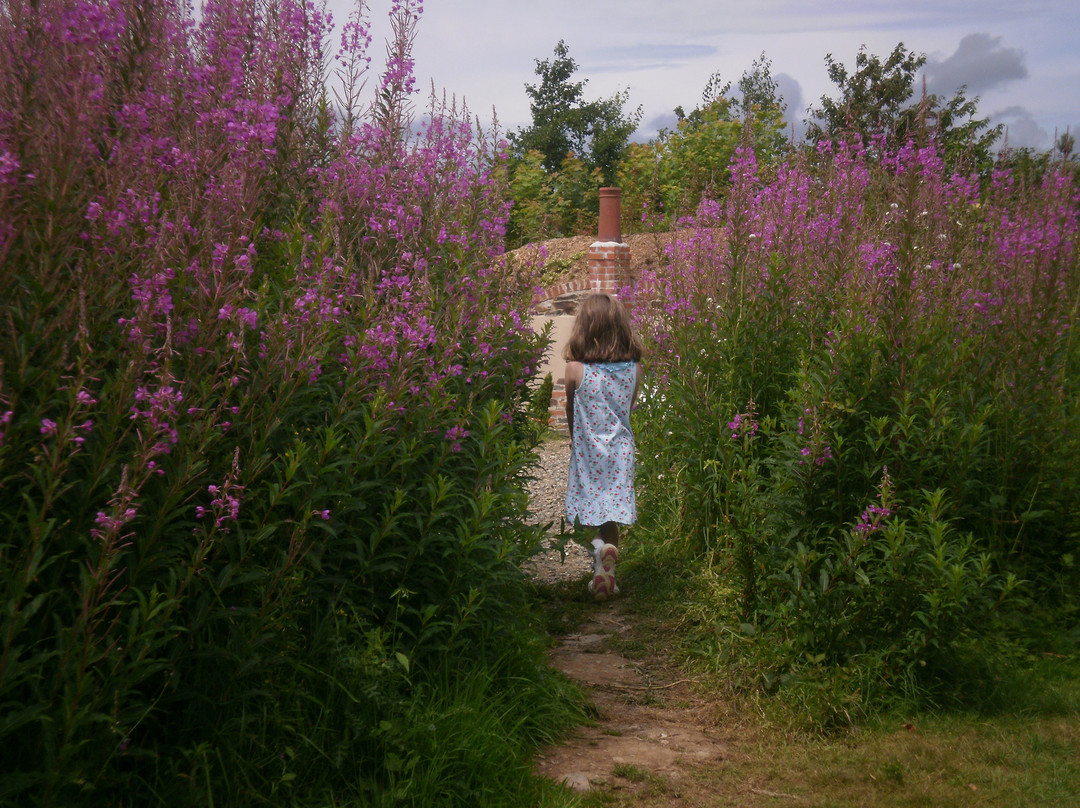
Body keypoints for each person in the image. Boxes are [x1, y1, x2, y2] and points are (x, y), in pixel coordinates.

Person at [563, 293, 643, 601]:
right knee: (609, 515)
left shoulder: (575, 370)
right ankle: (607, 571)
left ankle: (599, 554)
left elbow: (572, 409)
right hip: (620, 452)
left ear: (584, 329)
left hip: (588, 453)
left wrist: (574, 436)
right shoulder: (634, 370)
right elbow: (627, 407)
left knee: (585, 515)